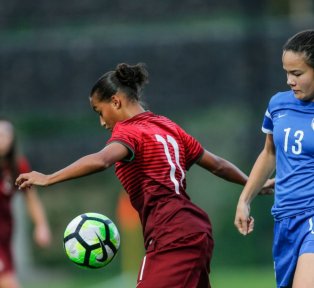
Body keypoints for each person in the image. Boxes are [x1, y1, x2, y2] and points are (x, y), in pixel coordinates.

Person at [16, 63, 272, 288]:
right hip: (194, 230)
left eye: (99, 111)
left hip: (172, 236)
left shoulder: (129, 132)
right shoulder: (168, 126)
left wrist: (49, 177)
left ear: (115, 101)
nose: (102, 122)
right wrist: (253, 183)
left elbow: (102, 160)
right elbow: (216, 164)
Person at [234, 29, 314, 288]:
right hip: (284, 221)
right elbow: (270, 153)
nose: (290, 80)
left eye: (298, 73)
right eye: (287, 72)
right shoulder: (278, 104)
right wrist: (245, 200)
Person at [0, 118, 51, 288]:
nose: (3, 138)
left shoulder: (17, 166)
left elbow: (31, 198)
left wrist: (41, 225)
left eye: (7, 135)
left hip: (5, 236)